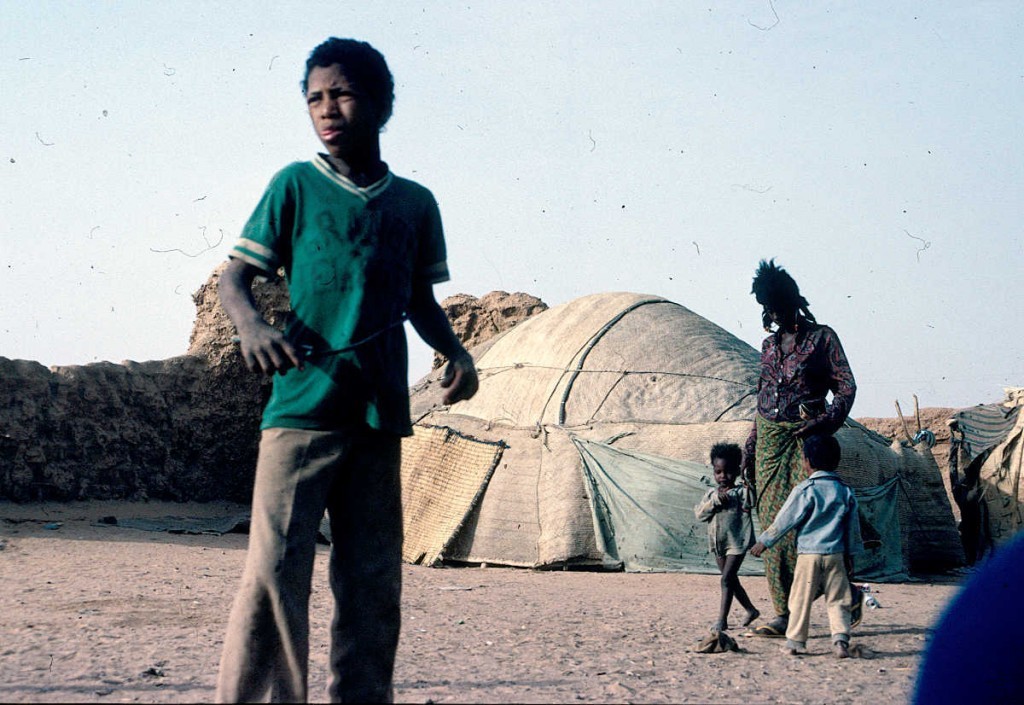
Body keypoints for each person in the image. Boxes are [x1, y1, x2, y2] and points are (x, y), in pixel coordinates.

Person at [214, 38, 479, 703]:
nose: (327, 109)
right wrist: (252, 326)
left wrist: (457, 350)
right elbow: (235, 277)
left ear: (382, 103)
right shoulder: (294, 186)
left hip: (378, 417)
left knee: (370, 585)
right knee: (274, 578)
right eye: (314, 97)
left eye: (342, 93)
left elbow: (418, 300)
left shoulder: (414, 204)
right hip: (301, 409)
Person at [741, 258, 858, 637]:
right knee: (775, 523)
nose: (771, 314)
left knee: (811, 519)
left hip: (808, 437)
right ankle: (783, 611)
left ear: (790, 301)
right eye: (766, 307)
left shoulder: (822, 339)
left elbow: (846, 386)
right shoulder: (768, 346)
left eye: (775, 305)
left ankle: (847, 593)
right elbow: (763, 395)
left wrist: (825, 422)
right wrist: (751, 442)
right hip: (770, 441)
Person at [750, 434, 863, 658]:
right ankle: (840, 641)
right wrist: (851, 555)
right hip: (836, 555)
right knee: (838, 599)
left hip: (808, 556)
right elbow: (852, 528)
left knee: (800, 598)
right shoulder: (845, 491)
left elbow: (785, 520)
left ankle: (795, 643)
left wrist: (765, 541)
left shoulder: (805, 490)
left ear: (807, 461)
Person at [694, 442, 760, 633]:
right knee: (730, 579)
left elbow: (752, 501)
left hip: (737, 543)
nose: (723, 476)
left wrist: (749, 481)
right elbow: (700, 515)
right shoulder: (711, 494)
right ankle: (750, 609)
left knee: (726, 579)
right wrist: (714, 502)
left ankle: (722, 620)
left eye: (728, 471)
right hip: (718, 543)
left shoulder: (740, 492)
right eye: (718, 472)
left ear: (737, 471)